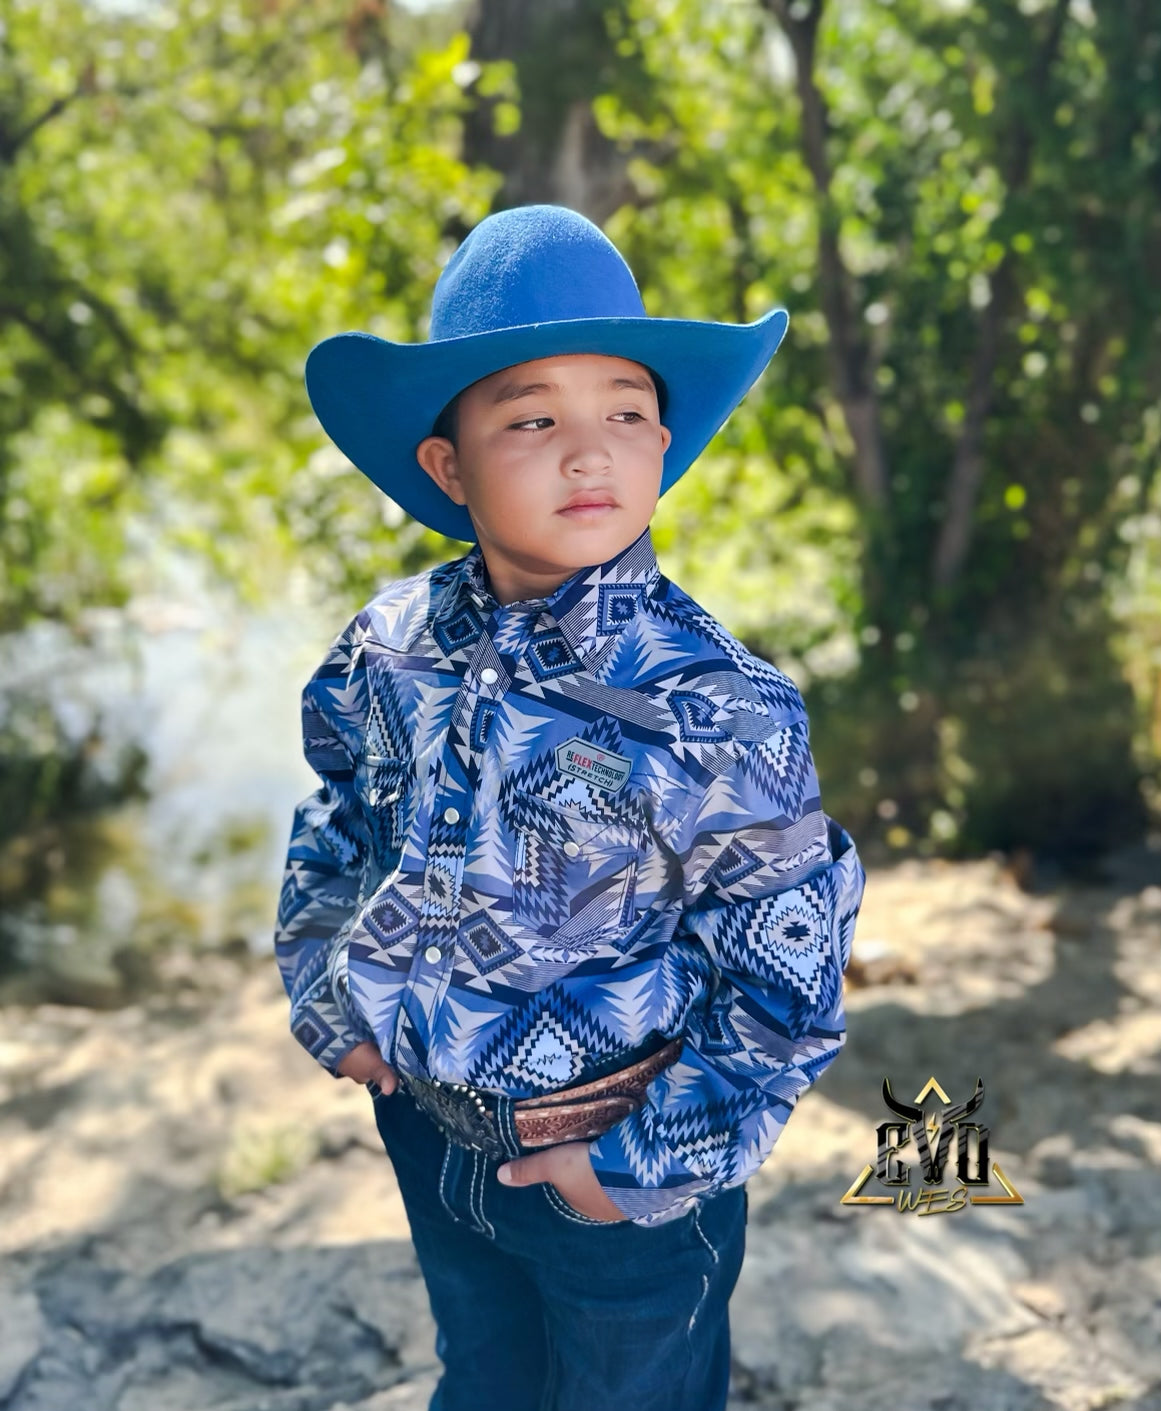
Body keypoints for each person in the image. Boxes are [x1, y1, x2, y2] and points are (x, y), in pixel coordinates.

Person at [273, 203, 866, 1411]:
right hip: (432, 1136)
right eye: (533, 418)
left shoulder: (717, 703)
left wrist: (633, 1163)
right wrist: (332, 995)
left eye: (626, 413)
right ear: (448, 464)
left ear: (664, 442)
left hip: (616, 1180)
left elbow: (784, 987)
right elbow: (335, 822)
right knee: (482, 1378)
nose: (588, 454)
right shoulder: (388, 649)